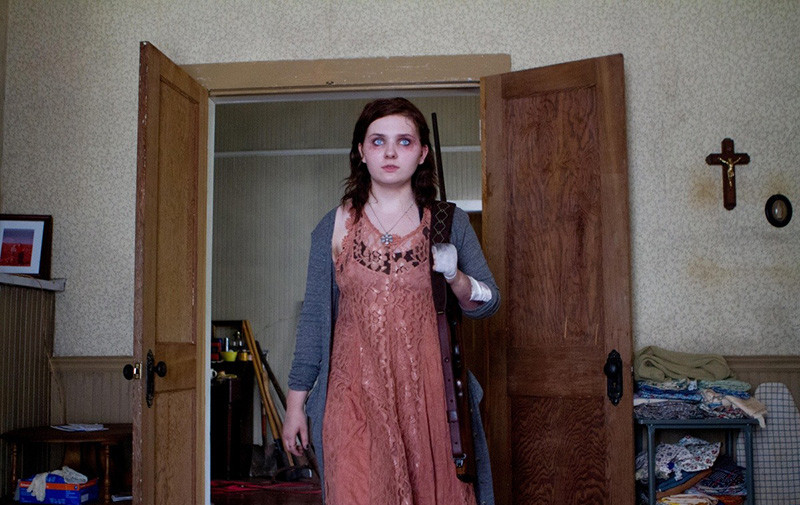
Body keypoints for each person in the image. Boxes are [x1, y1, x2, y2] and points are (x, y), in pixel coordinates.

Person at [283, 97, 500, 505]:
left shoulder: (448, 222)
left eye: (404, 141)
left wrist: (455, 276)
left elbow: (489, 302)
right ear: (361, 152)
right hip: (353, 399)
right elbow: (313, 320)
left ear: (422, 154)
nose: (389, 152)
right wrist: (295, 406)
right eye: (378, 141)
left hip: (431, 402)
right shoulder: (335, 226)